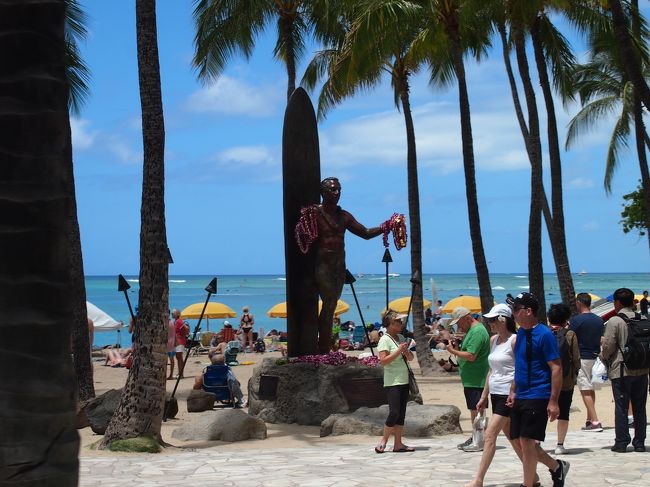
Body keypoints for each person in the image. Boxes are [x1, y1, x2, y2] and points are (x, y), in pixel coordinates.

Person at [314, 177, 384, 354]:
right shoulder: (315, 213)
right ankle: (322, 349)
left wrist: (386, 226)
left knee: (331, 306)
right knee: (329, 304)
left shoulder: (343, 216)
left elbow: (366, 233)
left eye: (339, 190)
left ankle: (324, 348)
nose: (337, 193)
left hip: (339, 266)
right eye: (333, 190)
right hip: (321, 264)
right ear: (323, 192)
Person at [508, 293, 569, 487]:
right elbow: (520, 365)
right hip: (521, 395)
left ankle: (529, 484)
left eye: (516, 310)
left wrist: (553, 401)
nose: (513, 314)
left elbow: (556, 367)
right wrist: (513, 390)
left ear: (528, 311)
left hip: (539, 394)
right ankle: (557, 467)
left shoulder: (545, 335)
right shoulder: (519, 335)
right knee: (518, 440)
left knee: (527, 441)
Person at [465, 304, 530, 486]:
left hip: (509, 395)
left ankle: (478, 479)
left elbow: (521, 368)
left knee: (490, 434)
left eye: (493, 320)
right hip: (496, 394)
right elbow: (491, 371)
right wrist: (484, 396)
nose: (490, 323)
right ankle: (538, 473)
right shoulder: (494, 340)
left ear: (503, 320)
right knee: (514, 439)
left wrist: (513, 390)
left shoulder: (515, 340)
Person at [601, 287, 648, 453]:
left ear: (618, 303)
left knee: (621, 407)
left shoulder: (615, 321)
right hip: (642, 369)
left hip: (621, 370)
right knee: (640, 407)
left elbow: (608, 346)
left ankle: (621, 442)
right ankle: (640, 442)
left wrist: (603, 356)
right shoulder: (642, 318)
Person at [446, 306, 490, 451]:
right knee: (474, 410)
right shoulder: (472, 331)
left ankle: (479, 440)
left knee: (477, 411)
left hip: (476, 379)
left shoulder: (477, 331)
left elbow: (471, 355)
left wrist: (453, 351)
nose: (459, 326)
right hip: (472, 378)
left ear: (467, 318)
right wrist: (458, 346)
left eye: (459, 322)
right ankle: (476, 437)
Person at [375, 309, 415, 454]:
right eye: (398, 321)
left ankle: (398, 443)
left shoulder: (400, 337)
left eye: (401, 321)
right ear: (391, 323)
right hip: (392, 381)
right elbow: (383, 361)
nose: (401, 323)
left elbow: (410, 359)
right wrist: (398, 351)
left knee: (401, 413)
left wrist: (405, 351)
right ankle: (383, 441)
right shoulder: (384, 339)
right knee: (394, 412)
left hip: (403, 379)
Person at [568, 292, 605, 432]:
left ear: (579, 303)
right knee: (590, 388)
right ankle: (590, 420)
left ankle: (595, 421)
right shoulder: (599, 320)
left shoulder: (576, 321)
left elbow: (569, 338)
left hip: (582, 358)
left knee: (585, 390)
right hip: (595, 358)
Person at [547, 303, 581, 455]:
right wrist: (574, 375)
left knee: (541, 411)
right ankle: (560, 444)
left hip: (545, 380)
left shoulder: (544, 333)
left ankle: (535, 441)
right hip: (565, 380)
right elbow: (576, 359)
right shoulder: (570, 334)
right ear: (566, 318)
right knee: (564, 412)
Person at [172, 308, 188, 379]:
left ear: (178, 314)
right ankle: (180, 373)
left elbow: (186, 328)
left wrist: (183, 335)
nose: (172, 314)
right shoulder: (176, 321)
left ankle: (181, 374)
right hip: (178, 341)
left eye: (173, 313)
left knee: (179, 358)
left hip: (179, 341)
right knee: (178, 358)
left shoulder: (179, 321)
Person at [166, 310, 176, 380]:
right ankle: (171, 375)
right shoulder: (172, 322)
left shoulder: (166, 322)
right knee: (172, 360)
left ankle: (170, 375)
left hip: (167, 344)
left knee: (166, 360)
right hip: (172, 344)